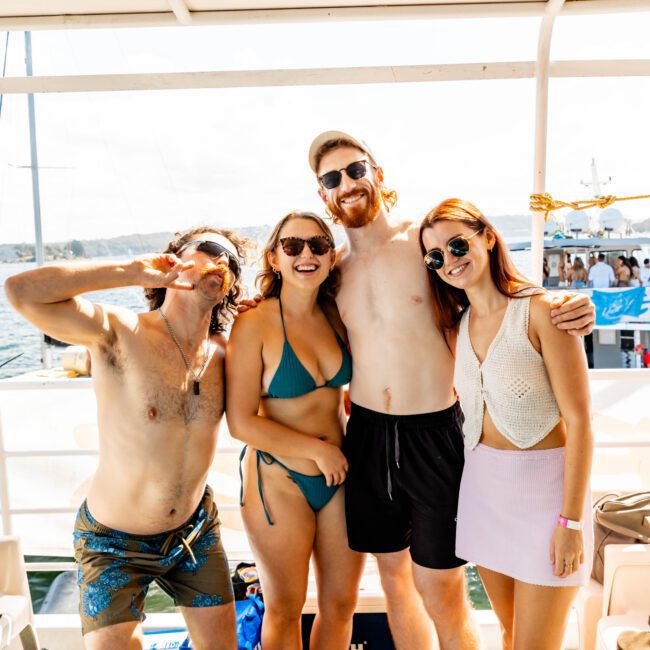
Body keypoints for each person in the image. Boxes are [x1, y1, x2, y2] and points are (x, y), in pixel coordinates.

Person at [307, 130, 595, 649]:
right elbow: (296, 314)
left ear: (377, 172)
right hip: (368, 433)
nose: (346, 183)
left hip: (435, 431)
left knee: (441, 586)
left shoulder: (425, 244)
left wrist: (568, 305)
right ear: (322, 194)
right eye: (332, 178)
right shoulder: (332, 272)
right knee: (396, 582)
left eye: (355, 169)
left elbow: (492, 286)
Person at [5, 227, 247, 650]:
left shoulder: (228, 353)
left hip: (194, 533)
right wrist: (135, 271)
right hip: (113, 541)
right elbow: (21, 290)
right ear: (173, 259)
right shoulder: (120, 330)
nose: (222, 259)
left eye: (232, 259)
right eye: (209, 250)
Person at [419, 198, 593, 650]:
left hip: (546, 499)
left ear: (488, 237)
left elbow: (580, 423)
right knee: (512, 635)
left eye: (458, 245)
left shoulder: (542, 311)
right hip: (483, 493)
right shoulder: (458, 323)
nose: (449, 261)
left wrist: (570, 523)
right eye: (435, 256)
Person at [226, 211, 365, 650]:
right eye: (292, 246)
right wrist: (316, 451)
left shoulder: (338, 314)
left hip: (340, 477)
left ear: (330, 256)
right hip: (278, 479)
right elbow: (241, 420)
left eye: (319, 245)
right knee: (286, 609)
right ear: (274, 257)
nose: (307, 254)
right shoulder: (254, 323)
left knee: (341, 605)